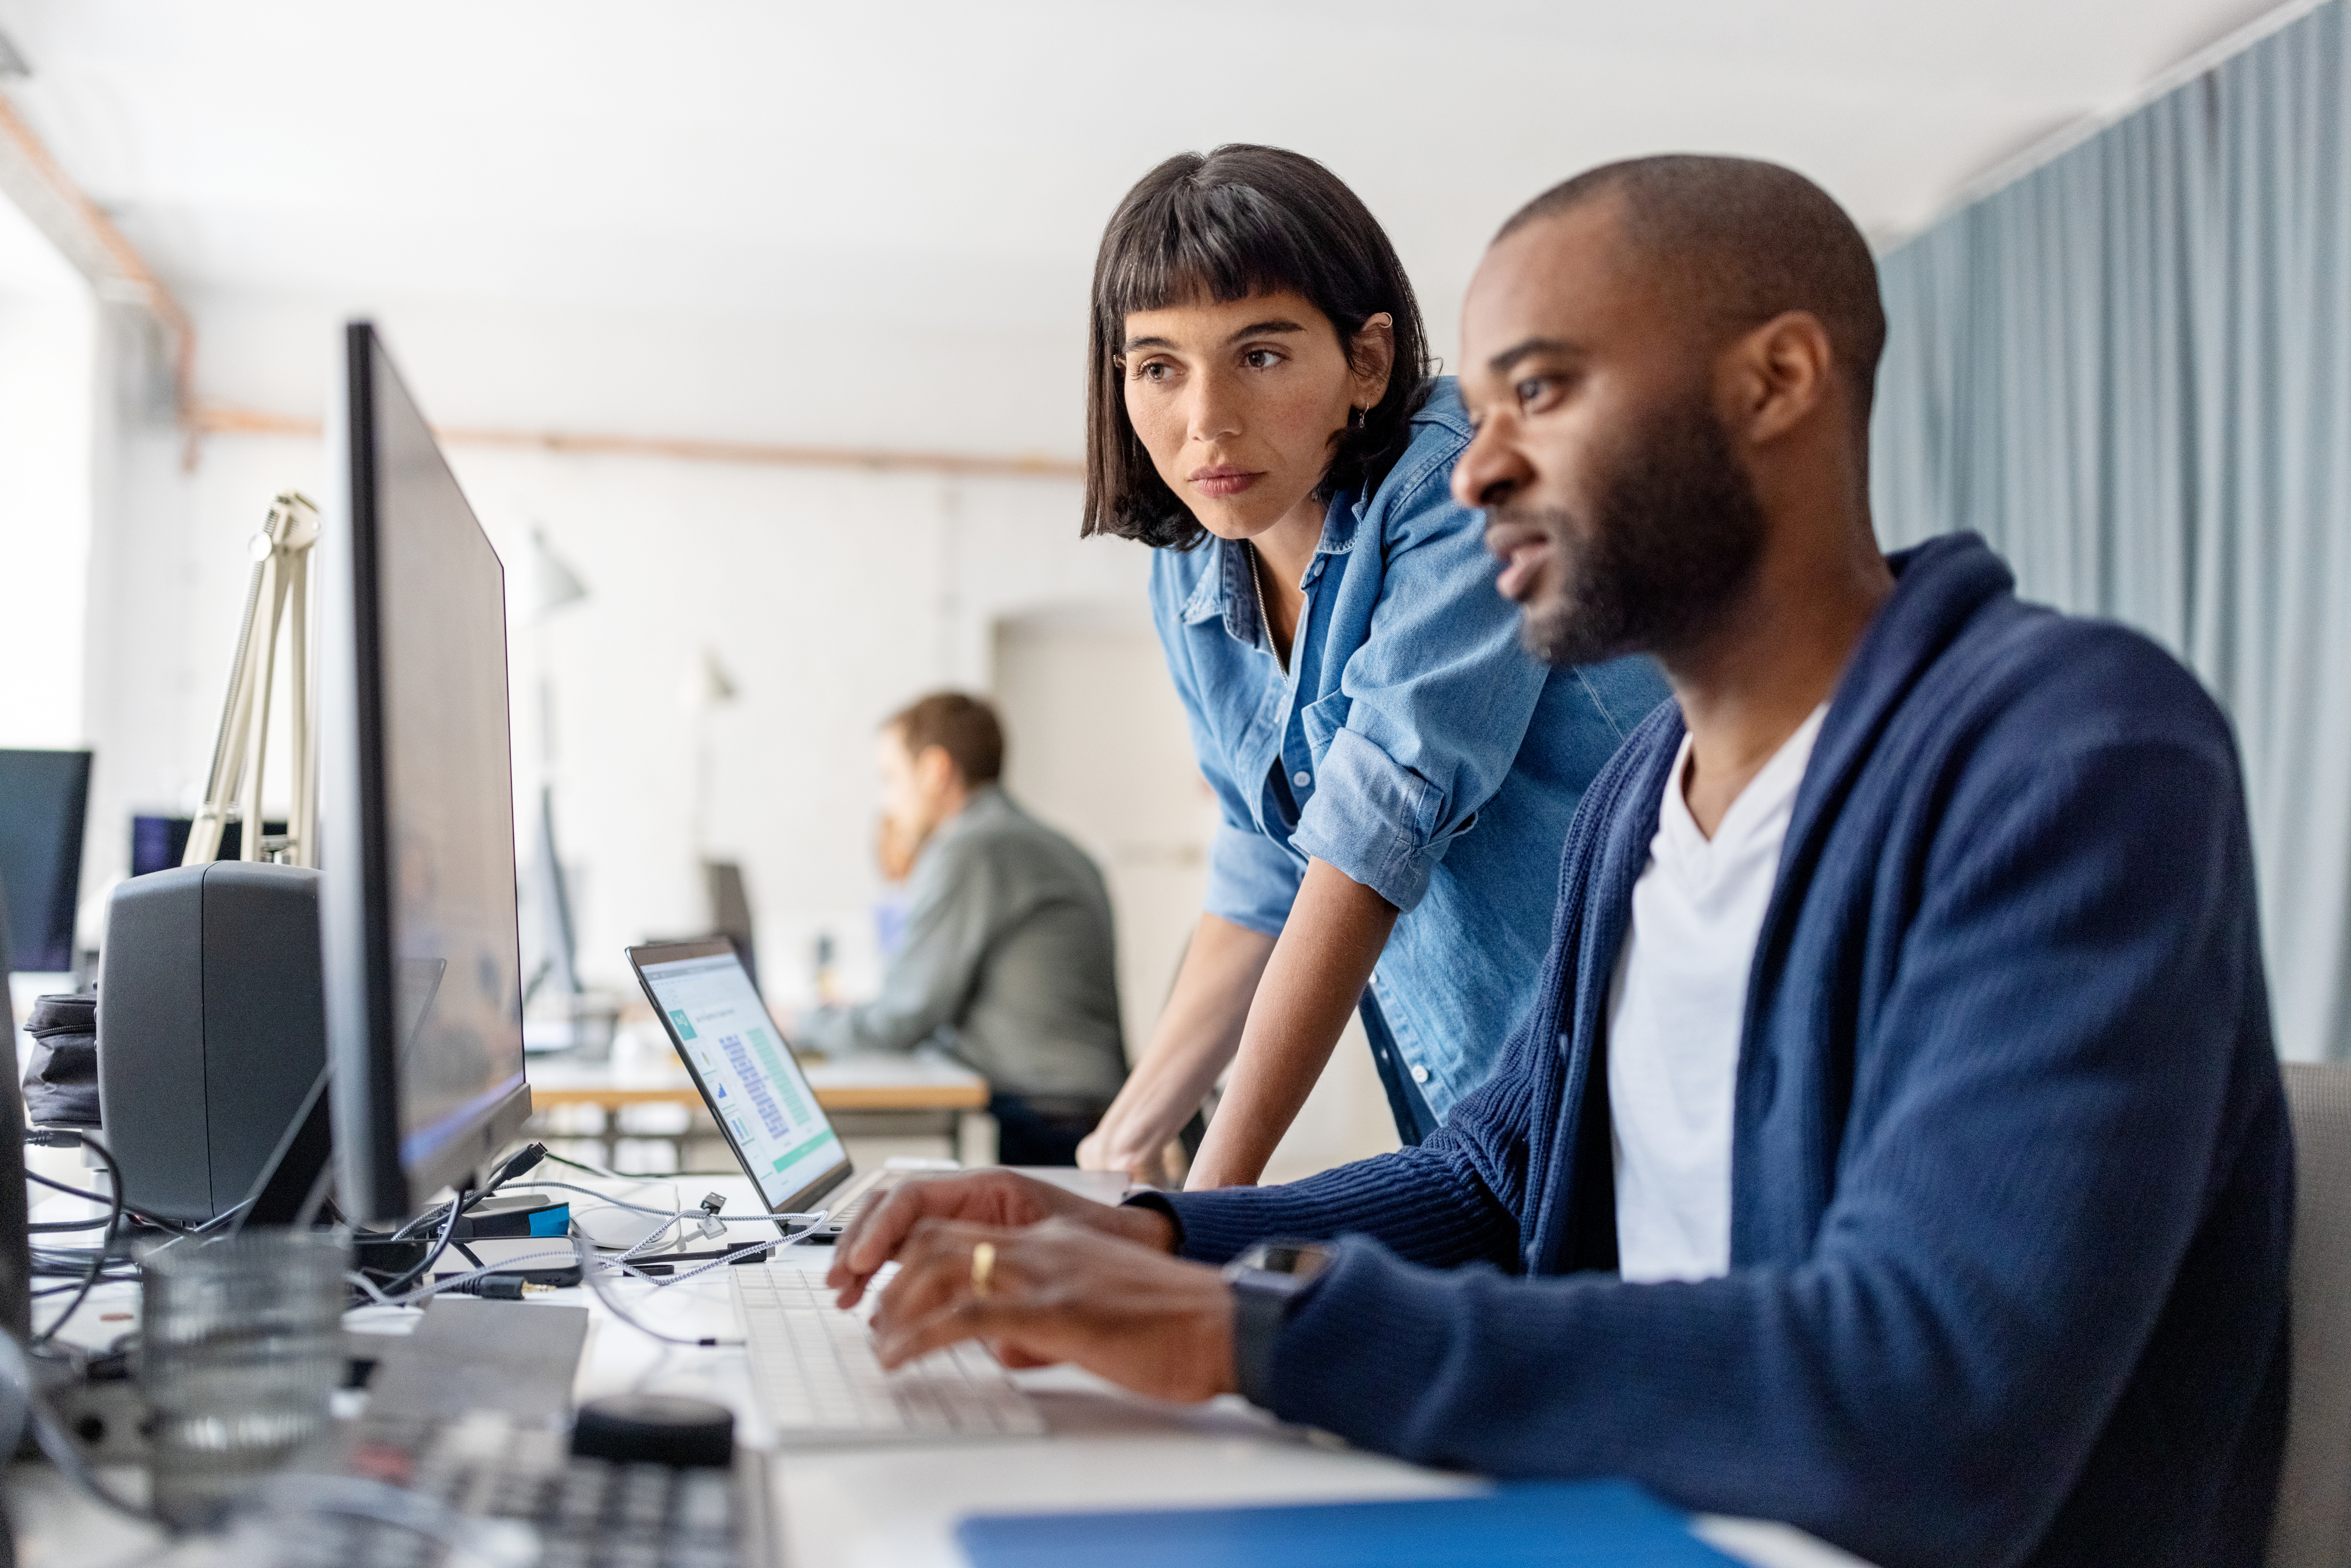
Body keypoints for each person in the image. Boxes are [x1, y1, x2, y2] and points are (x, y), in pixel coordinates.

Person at [825, 157, 2292, 1568]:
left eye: (1535, 391)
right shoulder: (1641, 798)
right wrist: (1147, 1233)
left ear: (1775, 383)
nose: (1475, 470)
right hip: (1639, 1499)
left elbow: (1927, 1401)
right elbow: (1486, 1179)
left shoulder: (2072, 758)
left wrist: (1250, 1331)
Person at [1074, 145, 1668, 1188]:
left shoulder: (1468, 489)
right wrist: (1126, 1143)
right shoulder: (1191, 568)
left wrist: (1204, 1209)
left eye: (1259, 355)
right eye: (1158, 365)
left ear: (1369, 362)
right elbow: (1267, 867)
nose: (1204, 420)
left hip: (1661, 1079)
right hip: (1493, 1121)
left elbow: (1369, 830)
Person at [793, 692, 1127, 1165]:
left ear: (935, 770)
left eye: (890, 778)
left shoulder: (971, 849)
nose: (887, 801)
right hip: (1082, 1108)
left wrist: (803, 1022)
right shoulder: (1045, 841)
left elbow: (903, 1019)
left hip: (1042, 1117)